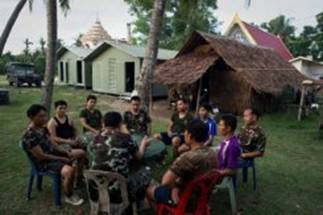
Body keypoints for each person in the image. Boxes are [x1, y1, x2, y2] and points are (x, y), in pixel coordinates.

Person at [21, 104, 83, 206]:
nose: (45, 119)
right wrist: (62, 158)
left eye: (45, 115)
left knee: (81, 153)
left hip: (53, 154)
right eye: (41, 116)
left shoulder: (43, 128)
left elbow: (53, 143)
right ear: (31, 117)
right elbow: (41, 156)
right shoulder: (29, 136)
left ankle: (76, 180)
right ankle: (69, 195)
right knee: (69, 170)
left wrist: (64, 151)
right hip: (44, 163)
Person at [147, 120, 216, 206]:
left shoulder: (187, 157)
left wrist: (175, 187)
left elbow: (165, 182)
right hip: (203, 199)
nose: (184, 135)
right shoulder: (214, 154)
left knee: (150, 190)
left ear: (190, 136)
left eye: (185, 133)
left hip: (184, 200)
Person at [89, 111, 152, 204]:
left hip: (95, 188)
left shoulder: (95, 138)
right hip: (117, 192)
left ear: (104, 123)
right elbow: (139, 157)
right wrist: (143, 144)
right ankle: (139, 201)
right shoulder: (126, 138)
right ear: (120, 124)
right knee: (147, 171)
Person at [47, 100, 86, 182]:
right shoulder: (52, 122)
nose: (63, 110)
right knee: (82, 153)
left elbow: (75, 130)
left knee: (86, 146)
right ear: (55, 109)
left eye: (64, 108)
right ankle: (74, 175)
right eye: (60, 108)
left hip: (71, 141)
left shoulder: (69, 119)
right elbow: (53, 138)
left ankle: (80, 173)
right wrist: (68, 141)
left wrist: (77, 137)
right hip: (60, 146)